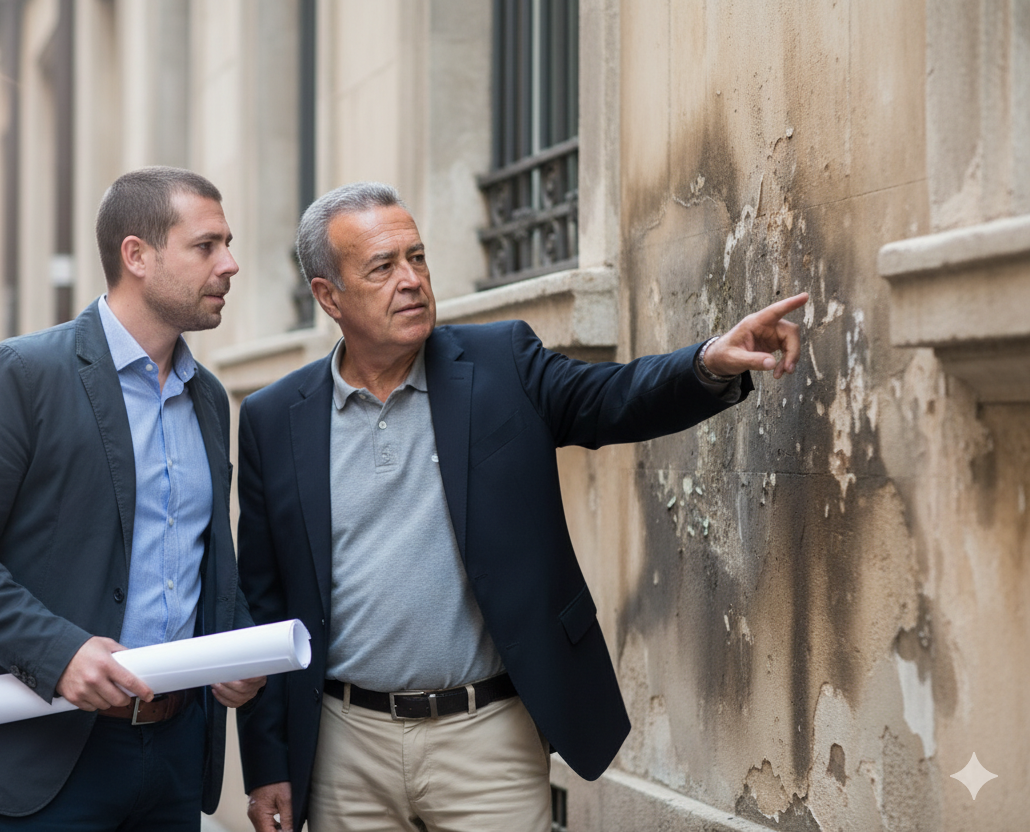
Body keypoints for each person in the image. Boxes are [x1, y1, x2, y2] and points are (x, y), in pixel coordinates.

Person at [235, 182, 809, 832]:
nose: (412, 280)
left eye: (417, 258)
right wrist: (266, 764)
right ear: (327, 296)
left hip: (487, 737)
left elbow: (611, 397)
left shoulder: (500, 363)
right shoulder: (274, 418)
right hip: (345, 745)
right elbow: (263, 604)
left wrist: (707, 362)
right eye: (383, 266)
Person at [0, 167, 265, 830]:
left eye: (228, 243)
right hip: (44, 756)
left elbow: (198, 557)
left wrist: (233, 645)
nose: (231, 264)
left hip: (176, 756)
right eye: (206, 246)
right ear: (136, 255)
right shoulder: (23, 374)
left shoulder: (209, 397)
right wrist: (58, 652)